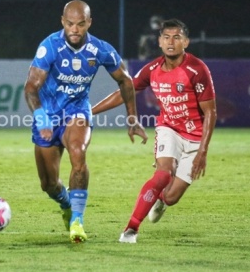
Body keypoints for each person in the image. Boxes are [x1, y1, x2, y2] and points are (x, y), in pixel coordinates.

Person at [24, 0, 148, 243]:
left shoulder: (100, 49)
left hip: (77, 112)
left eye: (81, 24)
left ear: (89, 23)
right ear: (62, 21)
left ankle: (77, 221)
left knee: (78, 153)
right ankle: (67, 205)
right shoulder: (50, 46)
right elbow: (30, 87)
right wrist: (41, 117)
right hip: (48, 116)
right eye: (70, 24)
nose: (75, 29)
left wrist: (132, 117)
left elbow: (125, 81)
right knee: (48, 184)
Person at [92, 18, 216, 243]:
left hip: (196, 138)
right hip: (169, 129)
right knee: (162, 174)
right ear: (159, 42)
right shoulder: (152, 69)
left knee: (171, 196)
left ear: (185, 42)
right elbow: (125, 91)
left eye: (177, 37)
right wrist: (90, 112)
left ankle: (161, 200)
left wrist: (203, 152)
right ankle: (131, 229)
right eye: (166, 37)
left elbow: (211, 113)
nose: (171, 42)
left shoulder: (197, 70)